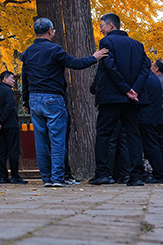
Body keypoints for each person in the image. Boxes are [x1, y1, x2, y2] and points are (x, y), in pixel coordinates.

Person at [20, 17, 108, 187]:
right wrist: (94, 57)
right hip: (53, 97)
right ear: (50, 31)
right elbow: (75, 64)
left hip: (34, 98)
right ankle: (57, 177)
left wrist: (26, 99)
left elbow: (25, 78)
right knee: (57, 140)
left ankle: (46, 178)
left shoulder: (28, 52)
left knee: (40, 141)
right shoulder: (55, 50)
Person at [90, 12, 149, 186]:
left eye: (101, 26)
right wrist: (135, 89)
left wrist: (126, 89)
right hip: (133, 99)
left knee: (104, 134)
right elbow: (145, 67)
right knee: (133, 135)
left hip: (112, 97)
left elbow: (110, 67)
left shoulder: (106, 42)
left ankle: (102, 173)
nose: (101, 30)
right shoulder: (138, 45)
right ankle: (136, 176)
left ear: (110, 25)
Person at [0, 71, 26, 184]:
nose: (14, 81)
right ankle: (15, 175)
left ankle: (3, 176)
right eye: (12, 78)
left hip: (0, 127)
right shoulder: (8, 91)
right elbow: (9, 107)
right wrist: (1, 120)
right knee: (13, 150)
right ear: (4, 79)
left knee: (2, 151)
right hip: (10, 124)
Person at [139, 60, 163, 183]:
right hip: (156, 116)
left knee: (151, 146)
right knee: (158, 145)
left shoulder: (144, 79)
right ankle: (162, 172)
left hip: (147, 116)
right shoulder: (155, 79)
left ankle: (159, 174)